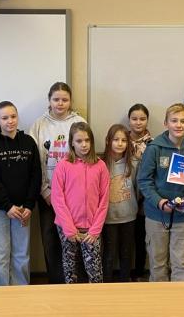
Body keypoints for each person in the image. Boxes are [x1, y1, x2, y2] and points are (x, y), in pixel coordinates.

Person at [137, 103, 184, 282]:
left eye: (183, 121)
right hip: (156, 215)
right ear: (166, 123)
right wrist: (159, 202)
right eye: (174, 121)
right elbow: (144, 181)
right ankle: (159, 298)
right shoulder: (154, 148)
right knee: (157, 262)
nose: (178, 125)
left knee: (182, 263)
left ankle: (179, 298)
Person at [28, 82, 86, 284]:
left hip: (74, 196)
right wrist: (45, 191)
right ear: (49, 100)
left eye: (65, 99)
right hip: (48, 195)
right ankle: (56, 283)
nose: (60, 103)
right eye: (56, 99)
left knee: (74, 238)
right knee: (50, 239)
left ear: (70, 101)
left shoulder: (79, 122)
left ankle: (77, 283)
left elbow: (85, 157)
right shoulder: (38, 125)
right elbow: (34, 162)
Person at [0, 101, 42, 286]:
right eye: (5, 118)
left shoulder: (28, 142)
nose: (10, 121)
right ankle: (1, 295)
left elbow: (36, 175)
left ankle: (21, 293)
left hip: (24, 209)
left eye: (13, 116)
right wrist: (7, 205)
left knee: (21, 254)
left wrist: (29, 205)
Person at [51, 122, 109, 284]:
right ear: (72, 143)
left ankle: (95, 298)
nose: (84, 145)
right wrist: (69, 228)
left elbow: (104, 200)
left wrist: (95, 230)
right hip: (67, 227)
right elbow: (57, 199)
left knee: (94, 270)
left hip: (91, 229)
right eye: (79, 141)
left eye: (87, 140)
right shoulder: (63, 166)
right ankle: (71, 298)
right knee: (70, 268)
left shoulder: (100, 166)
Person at [102, 124, 138, 282]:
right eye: (116, 139)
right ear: (108, 141)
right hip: (108, 218)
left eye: (124, 140)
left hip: (129, 217)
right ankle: (107, 284)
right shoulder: (101, 164)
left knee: (126, 253)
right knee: (109, 254)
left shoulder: (133, 164)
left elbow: (138, 189)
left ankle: (125, 282)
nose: (120, 143)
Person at [128, 103, 152, 280]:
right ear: (129, 120)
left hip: (145, 198)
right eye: (134, 119)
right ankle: (124, 272)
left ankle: (139, 271)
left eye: (142, 119)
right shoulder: (121, 140)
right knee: (126, 237)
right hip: (125, 196)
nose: (138, 122)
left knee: (141, 237)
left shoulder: (153, 144)